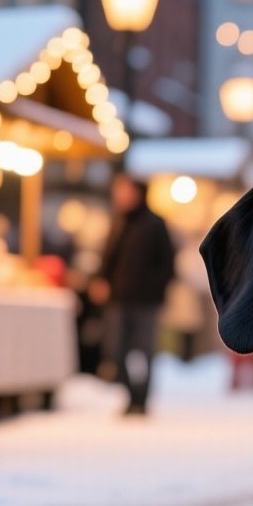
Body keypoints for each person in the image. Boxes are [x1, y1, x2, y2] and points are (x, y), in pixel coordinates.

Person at [91, 175, 176, 417]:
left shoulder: (155, 224)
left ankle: (142, 400)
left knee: (144, 351)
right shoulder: (118, 222)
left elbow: (168, 264)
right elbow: (108, 257)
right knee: (115, 351)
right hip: (118, 299)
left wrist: (156, 290)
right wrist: (101, 280)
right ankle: (131, 395)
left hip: (146, 301)